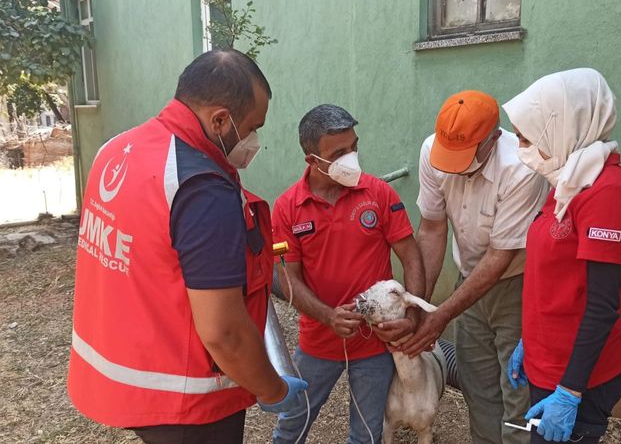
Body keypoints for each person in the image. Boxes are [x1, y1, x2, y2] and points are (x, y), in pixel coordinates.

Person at [67, 49, 307, 444]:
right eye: (252, 127)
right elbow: (224, 332)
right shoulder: (201, 189)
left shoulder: (116, 149)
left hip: (126, 371)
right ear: (220, 120)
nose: (254, 140)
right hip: (185, 403)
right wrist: (273, 390)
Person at [504, 68, 621, 443]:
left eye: (529, 138)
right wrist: (529, 340)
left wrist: (569, 391)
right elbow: (553, 277)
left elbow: (601, 304)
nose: (523, 149)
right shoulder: (567, 183)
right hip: (548, 361)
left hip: (579, 375)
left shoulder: (607, 194)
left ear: (564, 125)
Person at [271, 104, 425, 443]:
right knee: (291, 426)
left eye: (353, 147)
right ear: (312, 160)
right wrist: (328, 316)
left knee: (368, 434)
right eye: (339, 152)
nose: (351, 158)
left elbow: (411, 254)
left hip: (375, 343)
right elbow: (287, 278)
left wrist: (412, 314)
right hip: (317, 343)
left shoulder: (379, 194)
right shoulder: (286, 208)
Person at [402, 90, 548, 444]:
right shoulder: (431, 151)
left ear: (493, 140)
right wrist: (419, 305)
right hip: (469, 281)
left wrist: (441, 315)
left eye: (465, 155)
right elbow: (433, 228)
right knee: (477, 384)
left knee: (518, 391)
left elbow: (500, 257)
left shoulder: (522, 166)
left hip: (518, 283)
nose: (454, 164)